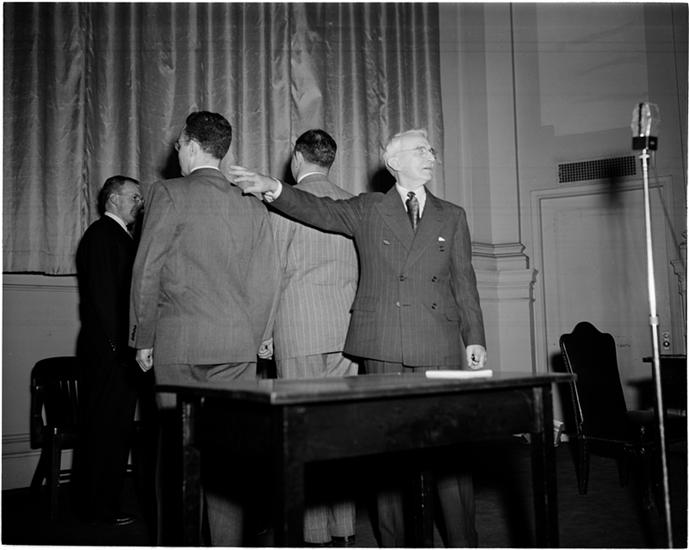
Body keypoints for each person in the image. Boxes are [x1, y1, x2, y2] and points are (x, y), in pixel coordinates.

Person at [228, 128, 487, 547]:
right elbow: (317, 209)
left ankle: (463, 543)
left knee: (449, 452)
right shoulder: (368, 208)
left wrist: (474, 336)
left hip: (438, 343)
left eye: (431, 150)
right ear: (394, 161)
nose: (431, 156)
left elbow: (464, 280)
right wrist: (273, 187)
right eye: (421, 150)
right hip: (383, 346)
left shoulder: (452, 215)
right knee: (387, 455)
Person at [129, 111, 279, 546]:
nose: (176, 152)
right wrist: (254, 338)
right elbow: (267, 278)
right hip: (237, 347)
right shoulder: (251, 203)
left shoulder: (168, 193)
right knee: (228, 462)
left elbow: (147, 270)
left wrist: (143, 337)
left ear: (192, 145)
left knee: (179, 459)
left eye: (178, 145)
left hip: (181, 346)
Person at [269, 129, 359, 546]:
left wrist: (264, 333)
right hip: (346, 332)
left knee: (301, 435)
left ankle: (313, 533)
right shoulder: (352, 202)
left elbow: (273, 270)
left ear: (297, 157)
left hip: (298, 328)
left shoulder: (285, 202)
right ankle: (344, 527)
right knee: (339, 432)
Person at [75, 175, 146, 526]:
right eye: (134, 197)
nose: (139, 204)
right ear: (113, 199)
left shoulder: (114, 235)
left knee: (109, 429)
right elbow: (105, 299)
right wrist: (122, 348)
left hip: (110, 351)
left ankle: (98, 506)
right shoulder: (104, 235)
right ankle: (100, 510)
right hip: (110, 353)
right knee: (106, 431)